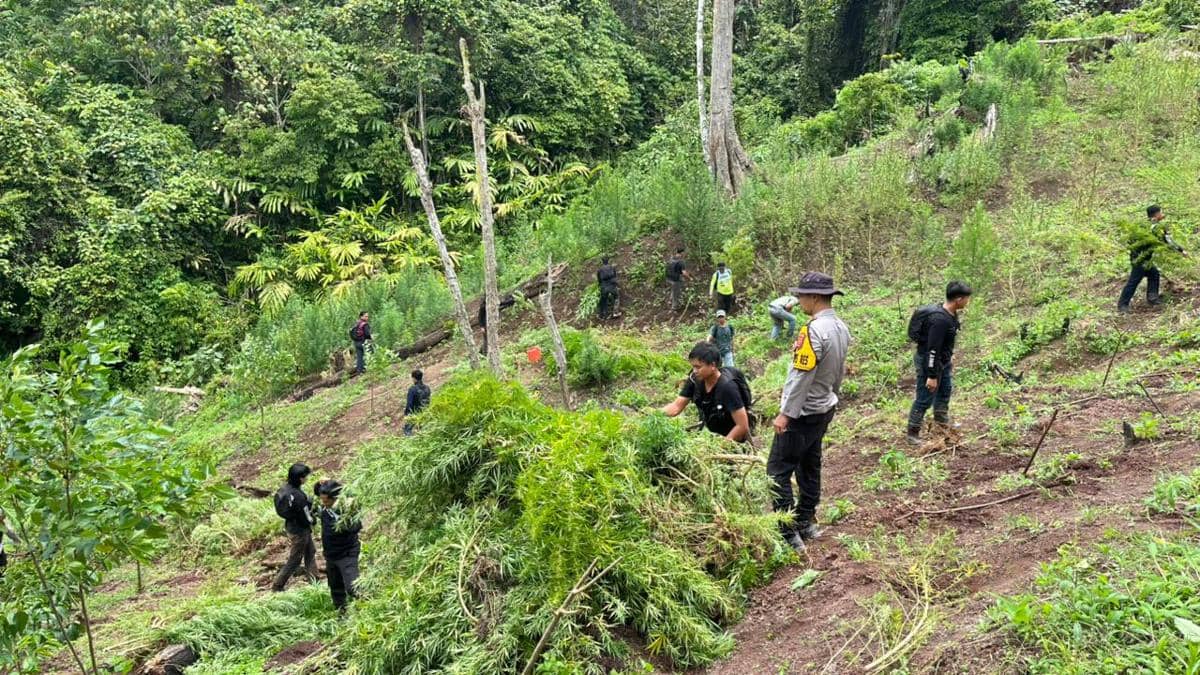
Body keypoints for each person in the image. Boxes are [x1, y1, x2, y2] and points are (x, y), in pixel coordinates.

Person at [767, 272, 850, 554]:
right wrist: (831, 395)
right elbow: (839, 372)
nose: (798, 300)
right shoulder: (840, 327)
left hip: (802, 414)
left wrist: (786, 414)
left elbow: (801, 376)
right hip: (824, 407)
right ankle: (806, 521)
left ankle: (788, 533)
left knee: (778, 472)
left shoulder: (812, 331)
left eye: (801, 295)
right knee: (810, 464)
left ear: (814, 298)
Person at [906, 281, 972, 445]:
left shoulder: (950, 314)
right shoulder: (940, 320)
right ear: (958, 299)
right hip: (930, 362)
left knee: (945, 391)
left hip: (942, 361)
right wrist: (932, 375)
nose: (968, 301)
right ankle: (912, 433)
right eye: (967, 298)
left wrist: (948, 359)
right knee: (925, 397)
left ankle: (942, 423)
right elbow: (932, 349)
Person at [661, 342, 750, 443]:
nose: (694, 370)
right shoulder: (695, 379)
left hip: (734, 437)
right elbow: (676, 407)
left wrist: (721, 446)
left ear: (713, 365)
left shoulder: (728, 387)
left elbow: (742, 426)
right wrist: (654, 414)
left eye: (698, 367)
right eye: (693, 366)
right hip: (714, 433)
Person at [1118, 204, 1187, 313]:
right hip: (1140, 259)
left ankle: (1152, 298)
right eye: (1161, 212)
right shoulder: (1154, 227)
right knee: (1134, 281)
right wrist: (1181, 251)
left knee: (1154, 274)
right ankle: (1122, 305)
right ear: (1157, 214)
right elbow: (1167, 241)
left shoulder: (1145, 225)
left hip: (1142, 258)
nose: (1163, 215)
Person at [314, 480, 361, 614]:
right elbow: (318, 491)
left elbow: (356, 527)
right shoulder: (324, 508)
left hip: (346, 553)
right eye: (322, 500)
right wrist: (320, 484)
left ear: (335, 499)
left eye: (326, 501)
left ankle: (368, 606)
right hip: (331, 554)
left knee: (353, 587)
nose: (324, 503)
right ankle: (342, 613)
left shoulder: (346, 511)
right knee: (335, 587)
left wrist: (341, 525)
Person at [272, 463, 319, 592]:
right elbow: (306, 517)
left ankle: (315, 581)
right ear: (300, 478)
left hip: (291, 526)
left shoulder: (285, 489)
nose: (307, 478)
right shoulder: (298, 496)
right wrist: (313, 520)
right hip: (300, 530)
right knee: (295, 560)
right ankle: (277, 585)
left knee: (310, 552)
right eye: (306, 476)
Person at [404, 369, 431, 436]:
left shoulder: (412, 389)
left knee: (407, 430)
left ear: (413, 378)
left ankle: (409, 443)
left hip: (414, 412)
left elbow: (409, 403)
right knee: (422, 431)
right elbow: (428, 400)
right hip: (424, 412)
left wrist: (407, 413)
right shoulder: (427, 388)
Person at [0, 509, 18, 579]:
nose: (3, 518)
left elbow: (9, 533)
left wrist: (17, 540)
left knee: (3, 562)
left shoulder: (2, 524)